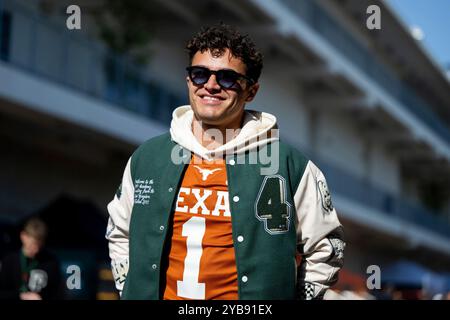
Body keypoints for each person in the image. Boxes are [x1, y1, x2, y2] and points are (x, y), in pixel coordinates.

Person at [106, 23, 345, 300]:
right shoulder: (147, 158)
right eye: (199, 74)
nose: (210, 85)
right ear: (188, 81)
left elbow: (325, 247)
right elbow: (119, 233)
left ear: (251, 91)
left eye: (228, 78)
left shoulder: (291, 166)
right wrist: (129, 290)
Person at [0, 217, 62, 300]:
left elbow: (56, 293)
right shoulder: (9, 260)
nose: (36, 249)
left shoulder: (50, 262)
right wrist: (21, 296)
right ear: (23, 236)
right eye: (33, 244)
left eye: (39, 245)